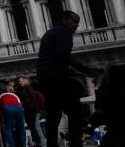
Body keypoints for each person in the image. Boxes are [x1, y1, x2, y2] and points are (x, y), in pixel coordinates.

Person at [36, 11, 99, 147]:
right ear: (64, 20)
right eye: (74, 21)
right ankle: (75, 143)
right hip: (57, 77)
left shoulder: (50, 33)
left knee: (54, 114)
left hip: (45, 77)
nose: (76, 25)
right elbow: (63, 56)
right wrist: (85, 70)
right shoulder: (63, 32)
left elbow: (54, 57)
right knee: (75, 112)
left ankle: (52, 144)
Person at [13, 78, 42, 147]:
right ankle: (35, 141)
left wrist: (26, 104)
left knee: (33, 125)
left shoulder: (28, 88)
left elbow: (33, 98)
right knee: (31, 125)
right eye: (19, 81)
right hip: (26, 109)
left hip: (31, 109)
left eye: (22, 81)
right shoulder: (19, 90)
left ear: (24, 81)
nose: (21, 82)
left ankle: (37, 141)